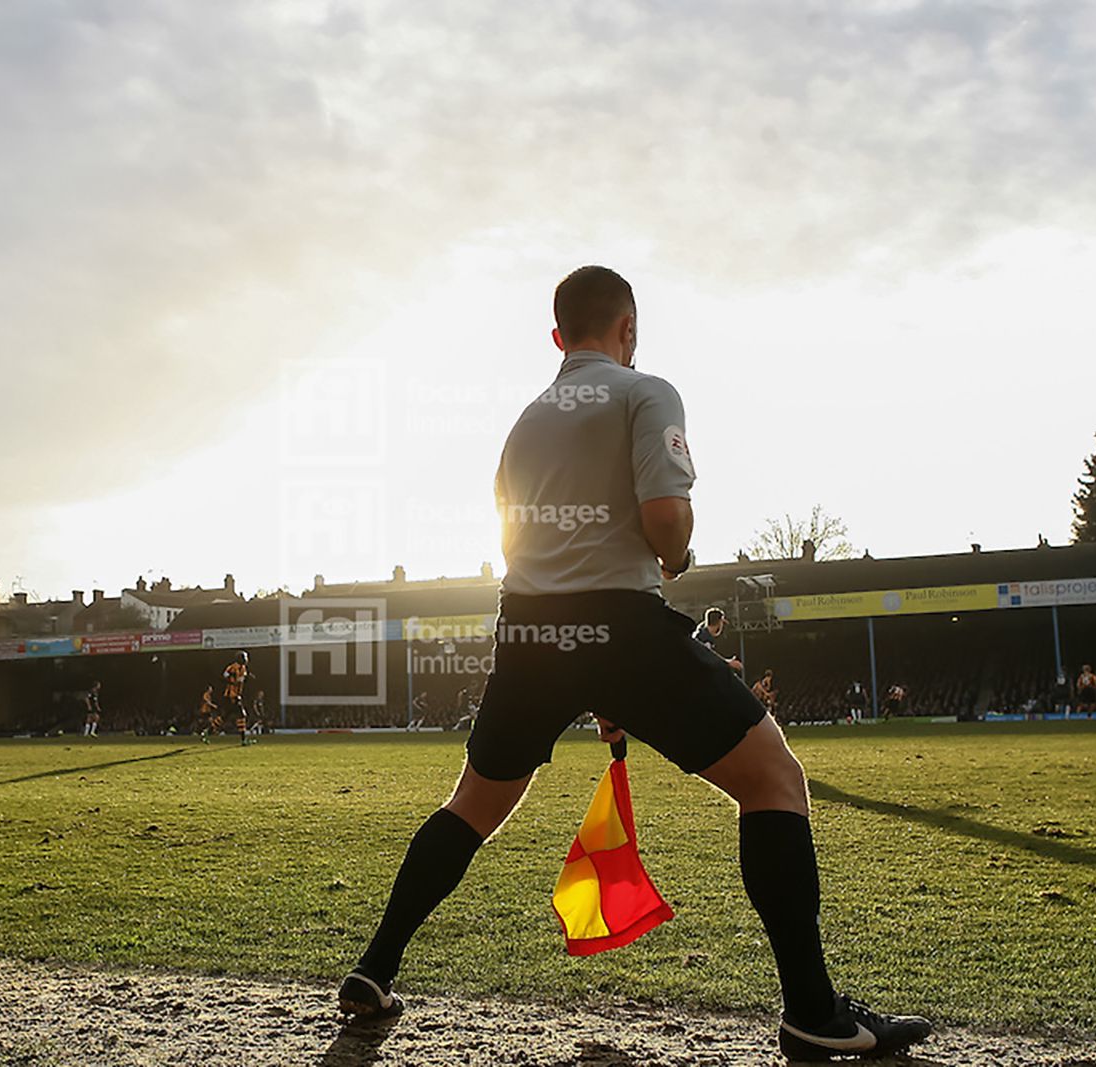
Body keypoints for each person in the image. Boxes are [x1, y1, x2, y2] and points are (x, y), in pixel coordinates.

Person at [335, 266, 930, 1060]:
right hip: (620, 624)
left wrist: (586, 675)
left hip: (529, 630)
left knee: (471, 805)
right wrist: (674, 558)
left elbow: (518, 544)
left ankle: (374, 968)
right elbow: (665, 525)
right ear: (629, 328)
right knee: (775, 781)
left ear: (558, 337)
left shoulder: (521, 423)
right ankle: (812, 1011)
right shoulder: (646, 391)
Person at [691, 607, 743, 674]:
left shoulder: (701, 633)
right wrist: (727, 663)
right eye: (722, 622)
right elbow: (708, 658)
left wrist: (727, 661)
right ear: (719, 623)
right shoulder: (704, 638)